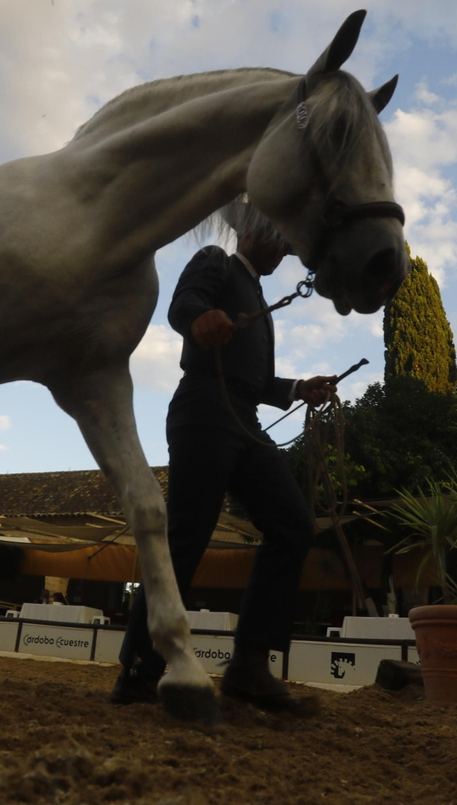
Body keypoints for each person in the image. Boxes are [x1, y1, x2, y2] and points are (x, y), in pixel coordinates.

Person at [111, 219, 336, 712]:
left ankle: (249, 668)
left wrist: (298, 388)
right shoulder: (217, 260)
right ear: (250, 233)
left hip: (244, 418)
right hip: (203, 410)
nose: (284, 248)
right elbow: (183, 303)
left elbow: (252, 380)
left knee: (295, 526)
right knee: (188, 536)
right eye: (277, 236)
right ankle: (138, 672)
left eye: (287, 240)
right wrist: (200, 316)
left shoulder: (257, 298)